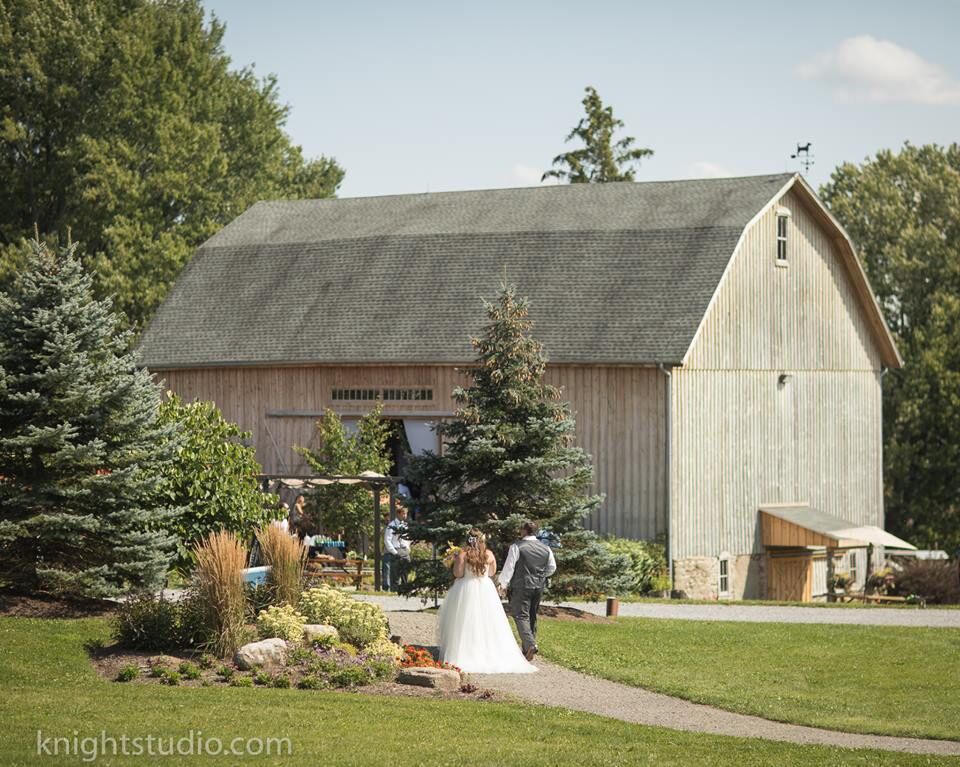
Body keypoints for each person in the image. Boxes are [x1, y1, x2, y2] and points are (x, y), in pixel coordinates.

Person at [436, 529, 537, 674]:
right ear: (482, 541)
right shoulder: (489, 554)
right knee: (488, 622)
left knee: (464, 622)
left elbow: (458, 573)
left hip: (466, 588)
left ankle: (465, 651)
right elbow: (492, 572)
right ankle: (488, 651)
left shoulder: (462, 554)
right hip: (485, 589)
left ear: (468, 540)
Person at [497, 520, 556, 662]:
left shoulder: (517, 547)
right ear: (535, 532)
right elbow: (552, 567)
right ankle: (528, 648)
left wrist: (503, 583)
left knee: (520, 615)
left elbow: (509, 567)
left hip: (521, 585)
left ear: (523, 531)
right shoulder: (546, 548)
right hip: (538, 586)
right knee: (532, 615)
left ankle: (530, 644)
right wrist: (541, 575)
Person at [383, 504, 411, 592]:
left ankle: (405, 588)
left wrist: (408, 548)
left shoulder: (405, 525)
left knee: (405, 570)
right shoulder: (391, 525)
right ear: (398, 514)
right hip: (396, 549)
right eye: (403, 514)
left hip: (404, 550)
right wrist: (394, 552)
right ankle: (394, 590)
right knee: (395, 573)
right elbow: (387, 540)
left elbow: (407, 538)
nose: (405, 516)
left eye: (406, 514)